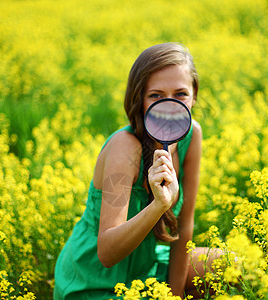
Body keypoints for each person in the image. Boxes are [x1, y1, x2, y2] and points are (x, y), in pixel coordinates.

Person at [54, 43, 214, 299]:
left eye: (181, 94)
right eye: (156, 96)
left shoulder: (192, 134)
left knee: (229, 266)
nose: (170, 106)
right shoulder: (125, 148)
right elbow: (107, 254)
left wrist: (173, 296)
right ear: (139, 98)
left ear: (194, 95)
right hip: (96, 280)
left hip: (147, 262)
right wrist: (159, 205)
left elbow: (185, 226)